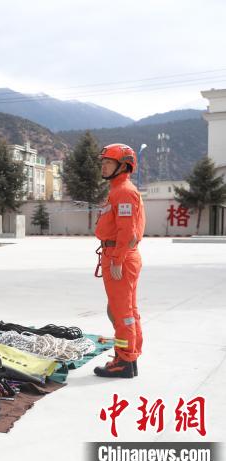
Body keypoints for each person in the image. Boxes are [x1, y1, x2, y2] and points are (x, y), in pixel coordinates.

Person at [94, 143, 145, 378]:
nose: (103, 166)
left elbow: (128, 231)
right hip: (118, 254)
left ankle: (123, 362)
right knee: (127, 311)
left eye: (108, 162)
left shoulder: (124, 191)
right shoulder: (117, 190)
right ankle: (129, 357)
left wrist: (116, 259)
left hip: (119, 256)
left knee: (121, 312)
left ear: (123, 166)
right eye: (103, 162)